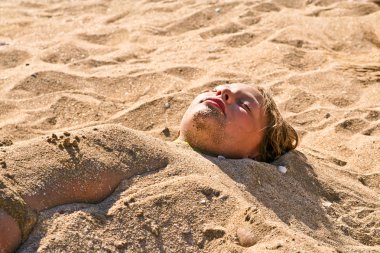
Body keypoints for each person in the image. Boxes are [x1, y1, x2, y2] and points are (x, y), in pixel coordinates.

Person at [0, 83, 298, 252]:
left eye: (244, 105)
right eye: (217, 88)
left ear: (258, 155)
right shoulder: (130, 141)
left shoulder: (233, 201)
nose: (224, 94)